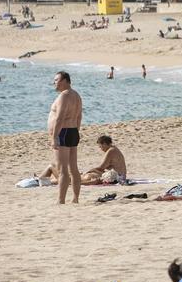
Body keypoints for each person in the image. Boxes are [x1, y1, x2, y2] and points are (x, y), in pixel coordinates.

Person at [48, 71, 83, 204]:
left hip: (63, 133)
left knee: (62, 170)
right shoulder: (76, 95)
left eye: (56, 80)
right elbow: (79, 116)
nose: (54, 83)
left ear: (65, 81)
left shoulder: (64, 96)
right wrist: (76, 131)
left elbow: (60, 117)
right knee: (73, 168)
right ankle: (75, 199)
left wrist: (54, 136)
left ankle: (61, 200)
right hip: (73, 131)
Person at [46, 135, 127, 185]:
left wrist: (89, 171)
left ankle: (50, 179)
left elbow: (101, 167)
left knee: (82, 176)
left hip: (115, 176)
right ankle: (50, 180)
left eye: (101, 147)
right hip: (118, 176)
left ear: (105, 144)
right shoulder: (115, 149)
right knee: (78, 175)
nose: (101, 149)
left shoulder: (111, 151)